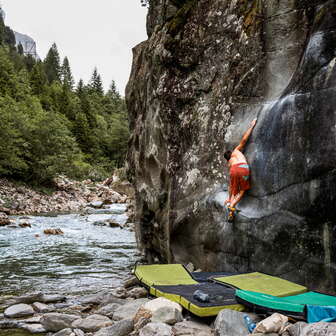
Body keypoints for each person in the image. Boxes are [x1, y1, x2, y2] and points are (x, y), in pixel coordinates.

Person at [224, 119, 257, 210]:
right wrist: (252, 126)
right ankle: (232, 206)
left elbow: (231, 185)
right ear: (231, 152)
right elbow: (244, 140)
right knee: (242, 190)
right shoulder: (236, 151)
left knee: (235, 187)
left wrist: (229, 197)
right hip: (244, 168)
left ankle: (230, 203)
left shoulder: (229, 164)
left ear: (227, 159)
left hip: (234, 169)